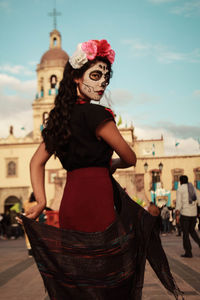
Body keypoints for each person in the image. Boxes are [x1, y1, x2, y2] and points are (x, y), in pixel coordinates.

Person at [19, 39, 183, 299]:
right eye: (95, 75)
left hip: (71, 201)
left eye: (105, 79)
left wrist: (41, 201)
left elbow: (35, 162)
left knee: (79, 272)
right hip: (98, 199)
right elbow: (130, 157)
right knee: (106, 273)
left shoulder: (58, 121)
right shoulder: (98, 116)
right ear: (76, 78)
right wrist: (112, 164)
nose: (101, 83)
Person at [176, 175, 200, 258]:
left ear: (180, 181)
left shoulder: (180, 189)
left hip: (185, 214)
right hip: (193, 214)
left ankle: (188, 252)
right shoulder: (193, 188)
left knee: (185, 234)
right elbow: (198, 200)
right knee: (192, 231)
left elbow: (178, 203)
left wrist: (177, 214)